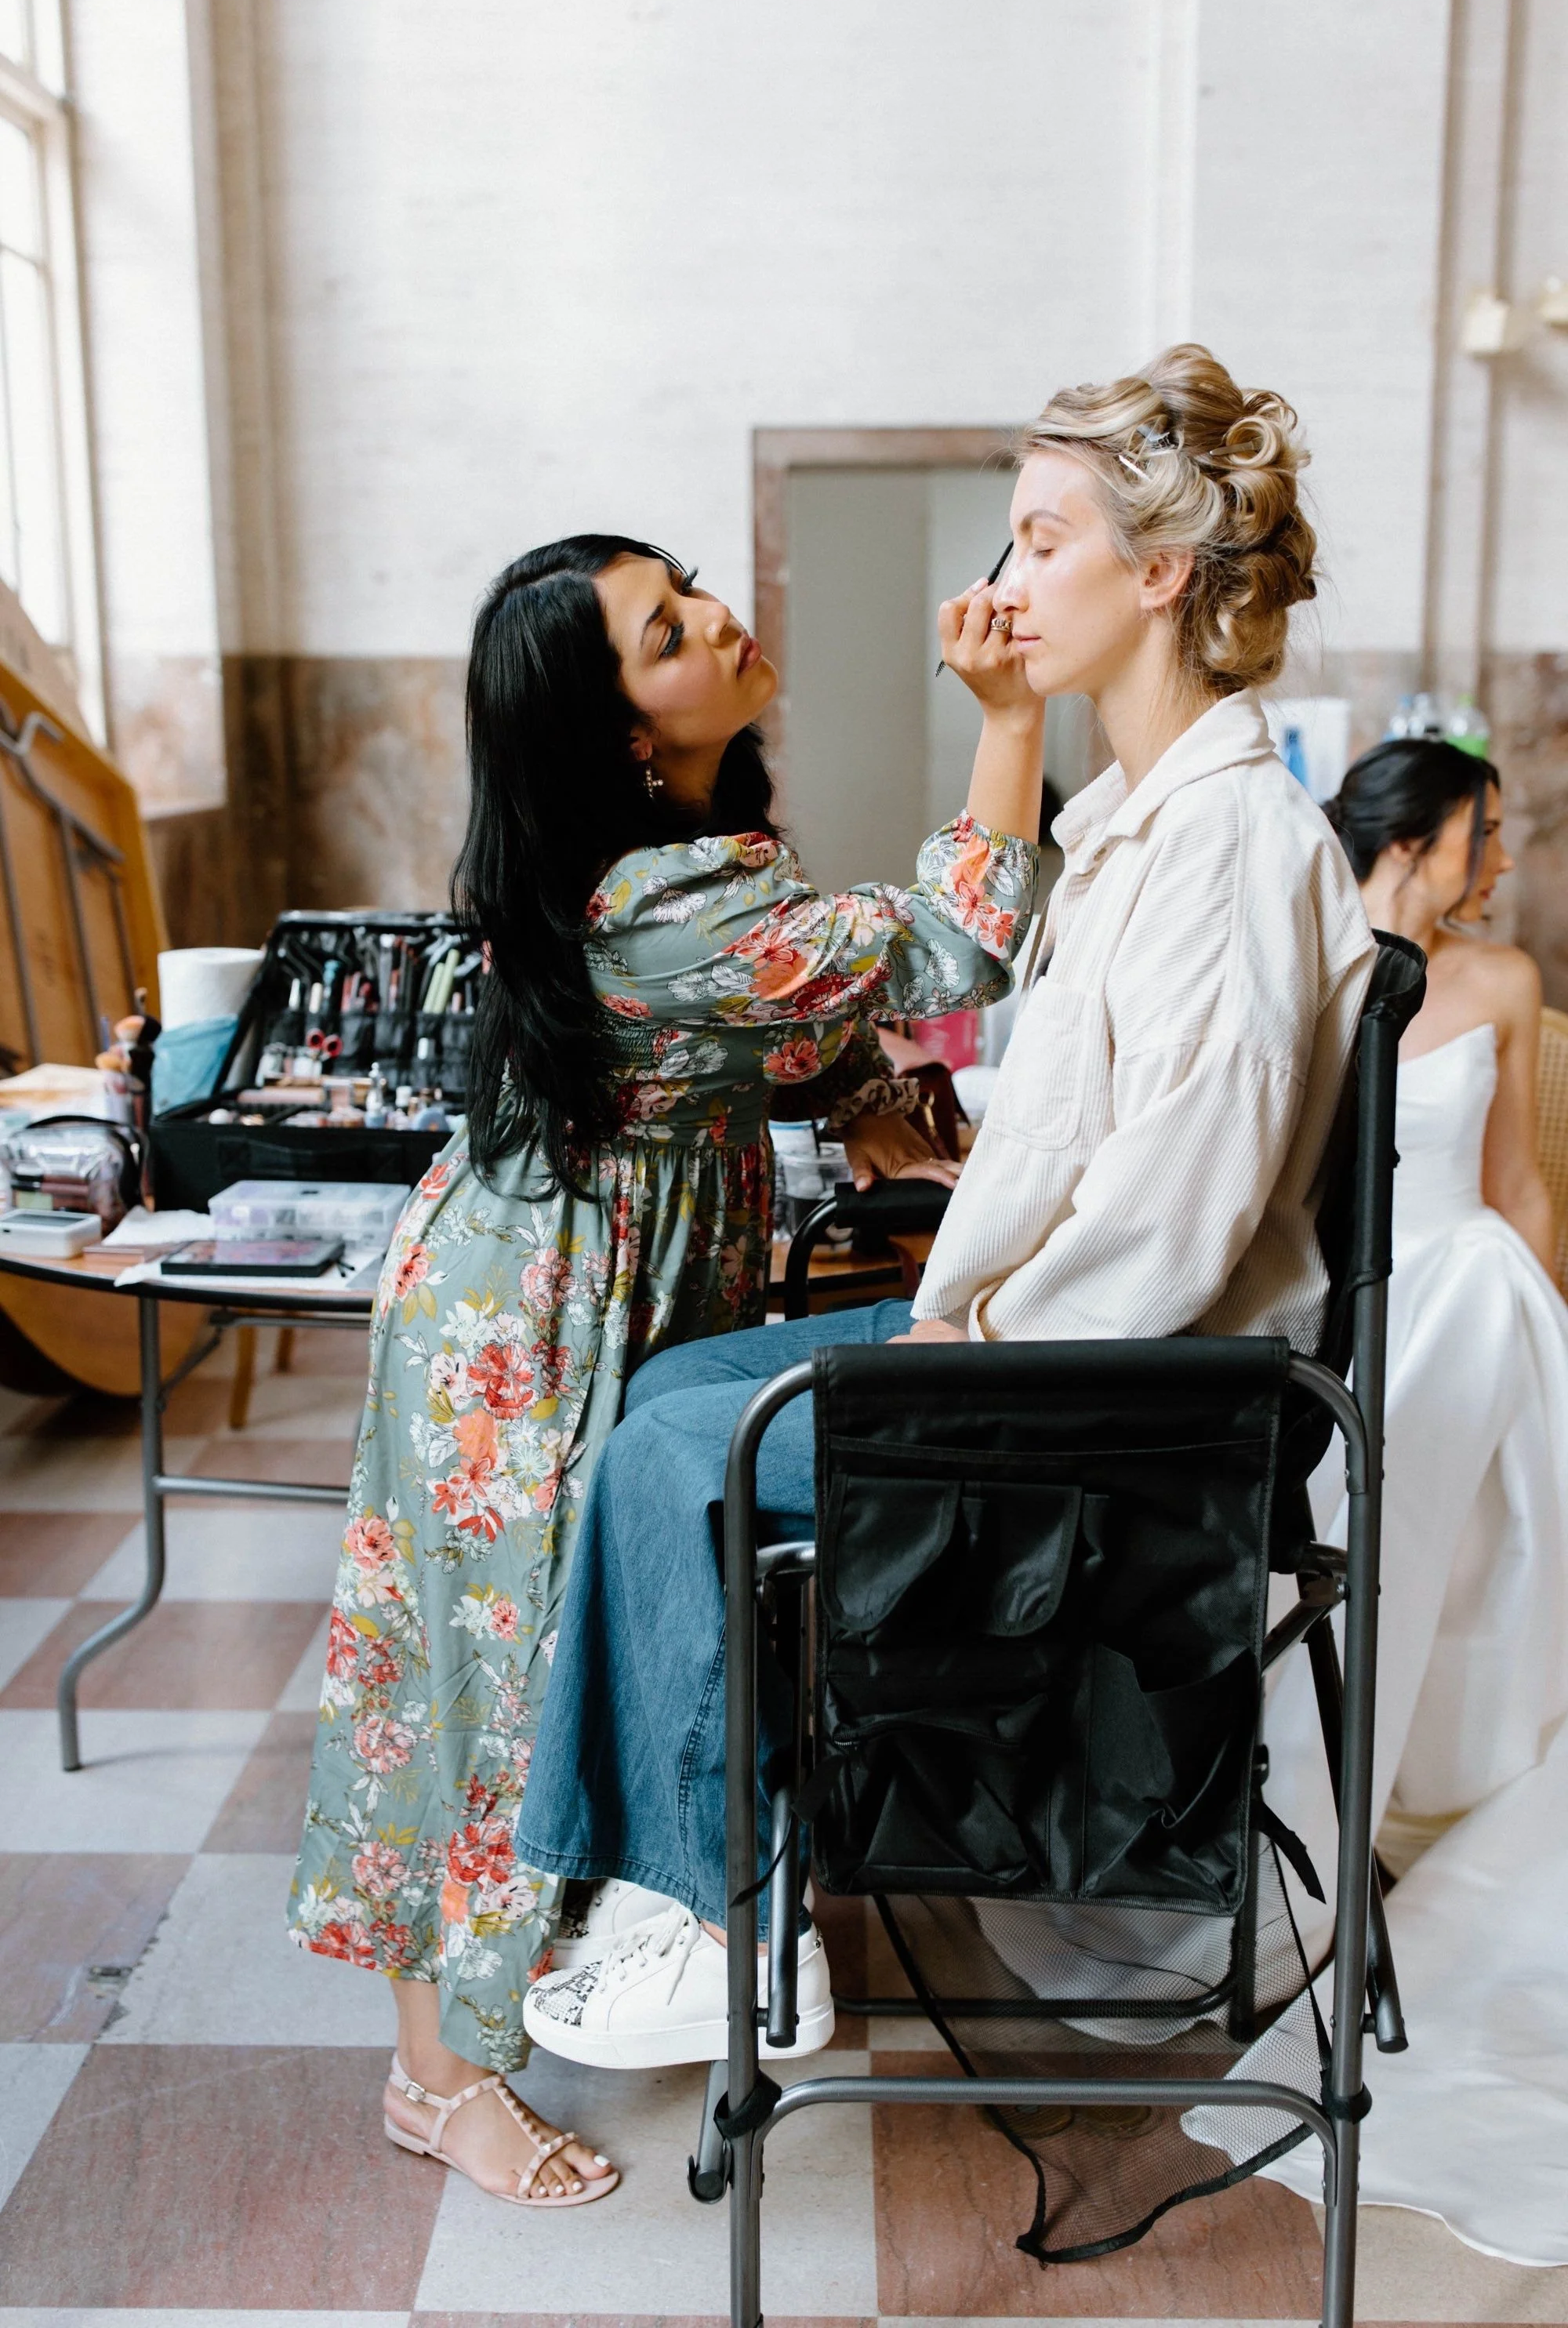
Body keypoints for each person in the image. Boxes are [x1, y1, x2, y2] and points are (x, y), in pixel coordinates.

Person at [514, 344, 1376, 2073]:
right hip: (1062, 1351)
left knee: (683, 1451)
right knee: (665, 1394)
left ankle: (727, 1924)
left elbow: (1177, 1221)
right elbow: (1104, 1135)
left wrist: (957, 1341)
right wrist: (956, 1218)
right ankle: (694, 1885)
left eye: (1042, 541)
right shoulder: (1132, 824)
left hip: (1139, 1400)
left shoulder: (1229, 842)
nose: (1000, 583)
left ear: (1162, 573)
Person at [286, 533, 1040, 2207]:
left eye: (687, 586)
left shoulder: (685, 864)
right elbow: (947, 952)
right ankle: (439, 2084)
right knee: (483, 1680)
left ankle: (588, 1954)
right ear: (624, 730)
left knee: (562, 1643)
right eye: (665, 628)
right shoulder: (659, 898)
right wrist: (1008, 717)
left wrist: (858, 1095)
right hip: (532, 1314)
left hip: (597, 1274)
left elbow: (792, 1024)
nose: (715, 617)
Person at [1224, 739, 1568, 2266]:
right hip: (1346, 1307)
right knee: (1357, 1523)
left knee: (1492, 1525)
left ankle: (1464, 1788)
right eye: (1485, 832)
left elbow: (1517, 1190)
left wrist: (1555, 1322)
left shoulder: (1500, 979)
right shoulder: (1302, 965)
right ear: (1419, 839)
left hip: (1473, 1289)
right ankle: (1335, 1804)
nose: (1502, 860)